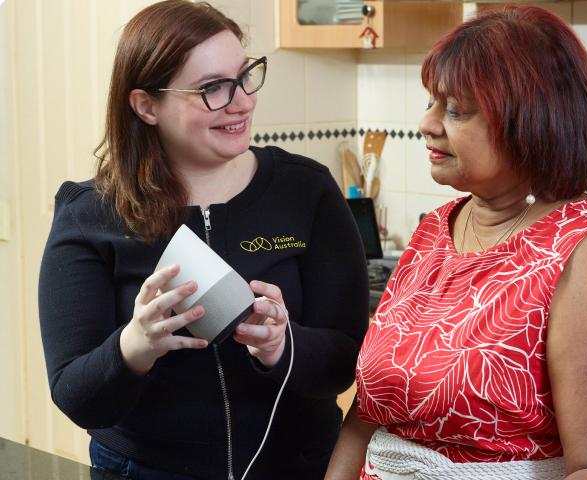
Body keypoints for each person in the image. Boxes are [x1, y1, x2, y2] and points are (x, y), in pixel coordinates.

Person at [325, 6, 587, 480]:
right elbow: (369, 412)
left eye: (455, 109)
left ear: (529, 120)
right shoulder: (435, 231)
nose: (426, 123)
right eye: (431, 102)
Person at [37, 1, 369, 479]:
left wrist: (281, 345)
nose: (242, 102)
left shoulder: (306, 190)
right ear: (146, 105)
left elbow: (347, 361)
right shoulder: (89, 215)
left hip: (297, 466)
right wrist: (135, 346)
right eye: (212, 88)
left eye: (244, 76)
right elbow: (76, 396)